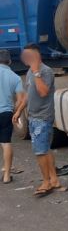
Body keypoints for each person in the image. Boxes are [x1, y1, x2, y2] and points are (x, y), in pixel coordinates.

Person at [14, 43, 63, 196]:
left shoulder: (45, 71)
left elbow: (43, 92)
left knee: (40, 151)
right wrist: (19, 110)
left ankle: (46, 182)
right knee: (45, 149)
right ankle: (54, 179)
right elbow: (29, 94)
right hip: (33, 116)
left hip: (42, 117)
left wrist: (36, 72)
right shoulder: (30, 72)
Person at [0, 50, 24, 184]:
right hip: (5, 113)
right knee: (6, 143)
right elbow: (20, 100)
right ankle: (7, 176)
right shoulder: (15, 77)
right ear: (9, 61)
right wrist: (15, 112)